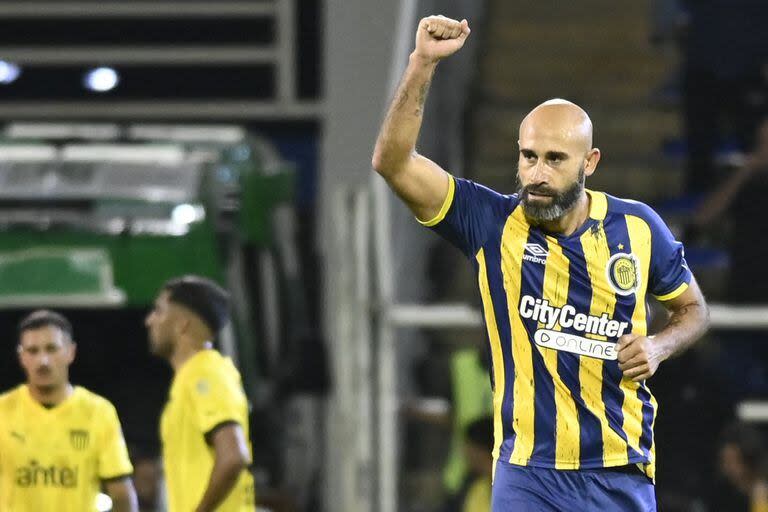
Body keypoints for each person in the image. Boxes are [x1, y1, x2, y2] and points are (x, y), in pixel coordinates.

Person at [371, 15, 710, 511]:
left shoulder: (639, 229)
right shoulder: (489, 221)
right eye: (528, 156)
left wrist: (659, 345)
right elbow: (392, 162)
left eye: (554, 159)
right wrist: (421, 63)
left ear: (589, 163)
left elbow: (694, 310)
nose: (537, 173)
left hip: (617, 468)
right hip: (526, 472)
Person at [0, 310, 137, 512]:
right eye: (33, 351)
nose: (43, 361)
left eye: (51, 349)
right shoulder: (3, 410)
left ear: (70, 352)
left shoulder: (98, 412)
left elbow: (121, 494)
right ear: (22, 357)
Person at [145, 275, 255, 512]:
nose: (150, 320)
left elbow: (233, 455)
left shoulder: (205, 374)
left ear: (182, 324)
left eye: (159, 311)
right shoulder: (191, 379)